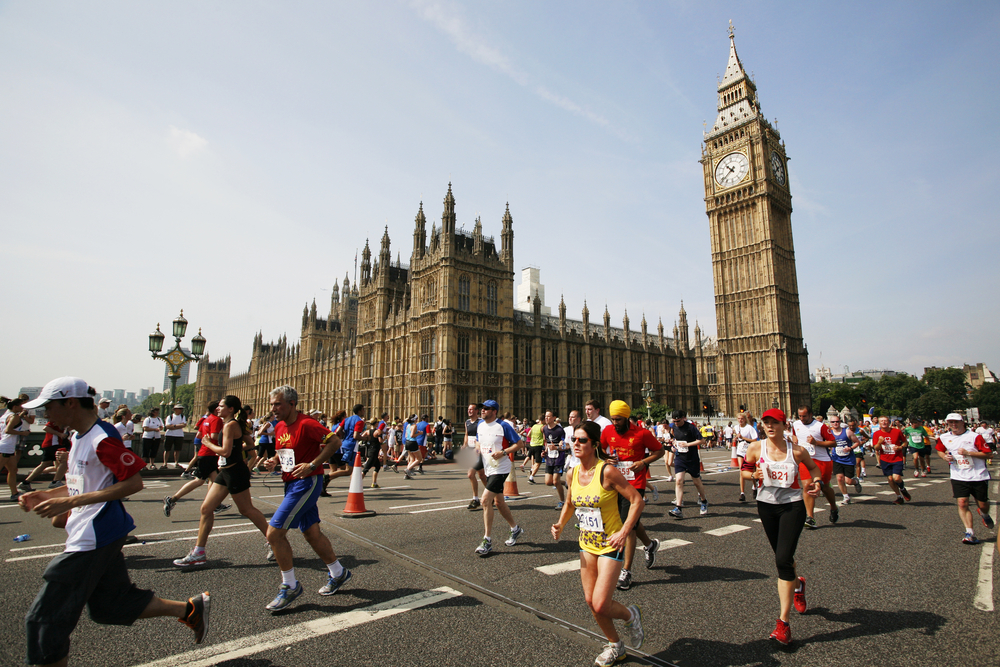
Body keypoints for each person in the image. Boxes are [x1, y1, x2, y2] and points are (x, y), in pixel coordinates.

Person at [18, 378, 208, 666]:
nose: (45, 414)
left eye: (49, 406)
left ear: (70, 403)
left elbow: (133, 483)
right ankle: (190, 609)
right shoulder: (79, 437)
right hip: (92, 530)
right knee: (112, 606)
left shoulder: (102, 438)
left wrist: (68, 502)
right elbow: (84, 484)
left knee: (44, 621)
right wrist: (47, 493)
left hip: (94, 534)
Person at [551, 420, 645, 665]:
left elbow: (636, 500)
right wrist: (561, 524)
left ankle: (630, 615)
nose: (576, 444)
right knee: (590, 601)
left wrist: (625, 531)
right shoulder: (572, 473)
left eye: (582, 440)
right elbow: (570, 502)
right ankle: (616, 645)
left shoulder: (607, 471)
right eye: (574, 440)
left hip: (610, 544)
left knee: (601, 603)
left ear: (594, 444)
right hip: (586, 544)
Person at [261, 385, 352, 611]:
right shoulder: (280, 425)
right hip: (290, 482)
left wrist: (313, 464)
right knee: (311, 533)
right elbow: (284, 451)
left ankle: (290, 586)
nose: (273, 409)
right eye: (272, 404)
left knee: (274, 534)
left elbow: (335, 442)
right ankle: (339, 573)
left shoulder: (308, 424)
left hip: (307, 482)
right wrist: (274, 460)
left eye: (277, 404)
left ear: (292, 404)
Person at [741, 407, 822, 646]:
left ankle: (783, 623)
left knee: (782, 559)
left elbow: (815, 469)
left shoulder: (797, 451)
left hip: (792, 506)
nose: (769, 426)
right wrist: (753, 475)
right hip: (766, 506)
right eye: (766, 422)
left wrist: (816, 482)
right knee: (782, 557)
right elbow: (744, 471)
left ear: (784, 425)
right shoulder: (756, 447)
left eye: (774, 422)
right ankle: (798, 584)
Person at [173, 395, 271, 567]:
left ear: (231, 409)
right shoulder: (233, 424)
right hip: (225, 471)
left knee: (247, 509)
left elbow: (225, 452)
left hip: (234, 471)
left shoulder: (231, 425)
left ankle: (273, 540)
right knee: (206, 508)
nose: (217, 408)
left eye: (221, 406)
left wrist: (208, 444)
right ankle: (199, 553)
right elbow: (249, 446)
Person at [601, 401, 663, 590]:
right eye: (613, 419)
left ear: (627, 418)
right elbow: (600, 449)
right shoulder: (608, 432)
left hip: (635, 483)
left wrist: (644, 462)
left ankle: (626, 571)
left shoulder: (641, 433)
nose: (615, 422)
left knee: (628, 526)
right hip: (616, 481)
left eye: (618, 419)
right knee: (631, 522)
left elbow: (659, 450)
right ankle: (650, 545)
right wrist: (606, 457)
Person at [473, 399, 526, 556]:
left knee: (485, 500)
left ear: (494, 411)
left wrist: (503, 452)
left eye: (486, 408)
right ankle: (515, 529)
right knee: (499, 502)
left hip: (501, 468)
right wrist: (477, 449)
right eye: (482, 408)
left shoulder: (503, 426)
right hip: (489, 467)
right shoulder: (480, 425)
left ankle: (487, 541)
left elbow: (519, 444)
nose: (482, 410)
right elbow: (478, 440)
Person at [163, 401, 230, 518]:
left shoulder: (206, 419)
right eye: (219, 407)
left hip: (206, 453)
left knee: (214, 481)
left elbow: (199, 435)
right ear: (215, 409)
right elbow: (214, 436)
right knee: (199, 481)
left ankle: (215, 504)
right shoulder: (216, 419)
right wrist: (227, 434)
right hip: (209, 454)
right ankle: (173, 499)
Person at [936, 413, 994, 544]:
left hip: (978, 475)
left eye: (956, 422)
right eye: (951, 423)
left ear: (963, 422)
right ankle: (970, 533)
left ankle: (984, 514)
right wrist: (944, 457)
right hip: (958, 475)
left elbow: (989, 454)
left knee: (983, 504)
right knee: (962, 503)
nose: (953, 425)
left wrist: (969, 453)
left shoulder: (974, 437)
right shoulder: (944, 437)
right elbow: (940, 450)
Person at [790, 406, 839, 527]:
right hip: (806, 460)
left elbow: (833, 442)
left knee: (824, 487)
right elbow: (795, 435)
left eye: (804, 416)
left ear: (811, 414)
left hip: (822, 460)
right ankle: (810, 517)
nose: (802, 419)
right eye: (800, 416)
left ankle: (833, 507)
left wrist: (816, 443)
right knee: (807, 486)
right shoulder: (796, 424)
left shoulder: (820, 426)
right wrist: (794, 440)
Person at [668, 410, 709, 518]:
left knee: (697, 482)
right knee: (679, 481)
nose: (676, 423)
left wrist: (688, 444)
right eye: (674, 421)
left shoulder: (691, 427)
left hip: (692, 458)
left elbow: (702, 441)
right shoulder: (674, 428)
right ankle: (678, 507)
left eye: (678, 421)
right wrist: (674, 445)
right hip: (680, 458)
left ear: (683, 418)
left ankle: (704, 501)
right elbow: (675, 439)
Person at [20, 418, 73, 492]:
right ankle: (55, 481)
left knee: (46, 464)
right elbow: (45, 428)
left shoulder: (63, 421)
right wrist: (59, 434)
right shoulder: (56, 419)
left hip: (51, 444)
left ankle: (26, 482)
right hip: (54, 444)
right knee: (64, 461)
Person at [871, 415, 911, 505]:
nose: (884, 422)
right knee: (890, 478)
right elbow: (876, 448)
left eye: (885, 421)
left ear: (889, 422)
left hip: (897, 458)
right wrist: (879, 442)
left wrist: (900, 447)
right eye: (881, 421)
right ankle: (899, 496)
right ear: (879, 423)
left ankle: (903, 489)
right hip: (885, 459)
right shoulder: (877, 434)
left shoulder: (897, 432)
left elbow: (905, 442)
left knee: (896, 478)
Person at [828, 415, 863, 504]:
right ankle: (846, 497)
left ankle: (855, 481)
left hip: (848, 459)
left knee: (848, 481)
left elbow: (857, 442)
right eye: (833, 422)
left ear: (840, 422)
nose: (835, 423)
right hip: (836, 459)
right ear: (830, 423)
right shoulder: (829, 433)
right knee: (840, 478)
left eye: (837, 421)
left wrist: (850, 448)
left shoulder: (847, 432)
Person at [2, 397, 31, 501]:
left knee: (13, 470)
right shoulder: (14, 417)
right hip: (5, 447)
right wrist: (22, 433)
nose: (22, 408)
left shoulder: (5, 415)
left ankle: (14, 493)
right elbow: (8, 430)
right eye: (21, 406)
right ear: (15, 407)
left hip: (8, 448)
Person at [464, 403, 488, 509]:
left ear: (477, 411)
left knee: (471, 474)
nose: (469, 411)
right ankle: (491, 493)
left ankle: (476, 498)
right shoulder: (467, 422)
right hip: (470, 450)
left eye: (471, 409)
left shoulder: (481, 422)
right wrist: (464, 445)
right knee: (481, 475)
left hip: (479, 451)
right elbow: (466, 434)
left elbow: (484, 436)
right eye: (468, 409)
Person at [541, 411, 567, 509]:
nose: (546, 418)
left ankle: (562, 501)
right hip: (549, 458)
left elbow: (564, 445)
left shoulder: (560, 430)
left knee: (556, 481)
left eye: (548, 416)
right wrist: (544, 451)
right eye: (545, 416)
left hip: (559, 458)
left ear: (554, 418)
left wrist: (558, 446)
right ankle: (565, 483)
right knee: (548, 482)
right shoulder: (545, 429)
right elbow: (547, 443)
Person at [735, 412, 758, 502]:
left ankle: (755, 487)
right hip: (740, 450)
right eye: (739, 419)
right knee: (742, 470)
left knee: (750, 470)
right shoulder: (736, 427)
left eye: (742, 419)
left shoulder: (750, 428)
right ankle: (742, 493)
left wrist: (744, 438)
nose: (740, 420)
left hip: (748, 450)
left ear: (745, 419)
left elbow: (755, 440)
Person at [162, 404, 187, 469]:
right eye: (180, 409)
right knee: (167, 449)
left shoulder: (182, 416)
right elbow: (168, 426)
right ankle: (165, 463)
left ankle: (176, 462)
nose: (181, 410)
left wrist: (174, 426)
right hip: (169, 435)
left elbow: (184, 425)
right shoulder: (170, 417)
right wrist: (178, 426)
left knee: (177, 450)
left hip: (179, 435)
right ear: (175, 409)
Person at [526, 416, 545, 481]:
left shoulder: (534, 426)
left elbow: (528, 435)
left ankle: (532, 469)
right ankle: (531, 477)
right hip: (538, 445)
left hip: (532, 444)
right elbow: (544, 438)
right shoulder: (543, 427)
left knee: (534, 459)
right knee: (538, 462)